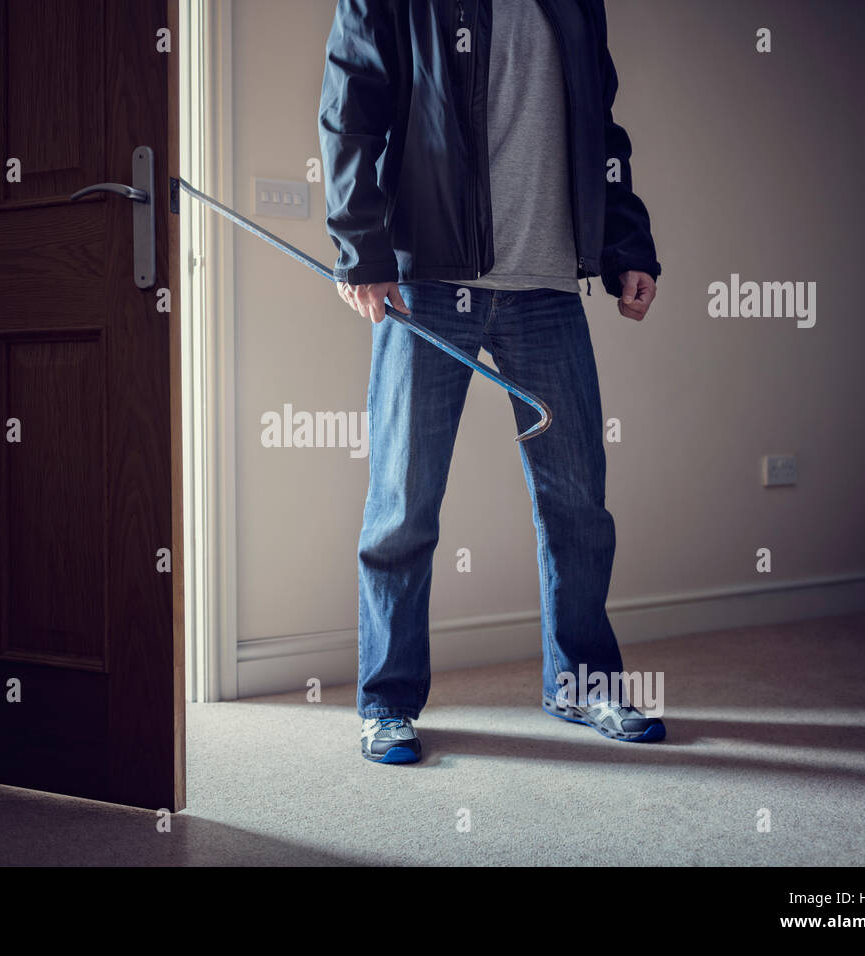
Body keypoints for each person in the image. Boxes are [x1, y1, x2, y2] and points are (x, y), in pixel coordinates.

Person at [318, 0, 666, 764]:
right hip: (430, 281)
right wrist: (361, 249)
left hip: (546, 284)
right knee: (403, 503)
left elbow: (601, 131)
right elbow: (351, 106)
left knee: (578, 501)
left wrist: (627, 243)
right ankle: (387, 701)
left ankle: (580, 683)